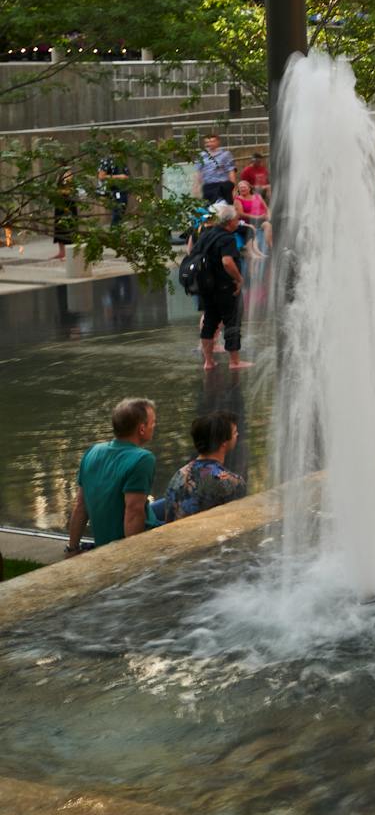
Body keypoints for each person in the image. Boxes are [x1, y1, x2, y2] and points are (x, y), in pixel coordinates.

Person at [64, 398, 159, 555]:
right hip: (133, 540)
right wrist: (134, 558)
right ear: (142, 429)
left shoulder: (92, 452)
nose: (154, 426)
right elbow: (134, 512)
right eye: (153, 422)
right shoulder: (142, 459)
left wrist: (72, 548)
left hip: (104, 540)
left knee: (166, 503)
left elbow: (81, 506)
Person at [151, 411, 245, 523]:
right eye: (235, 432)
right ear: (223, 442)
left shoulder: (179, 475)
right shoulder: (231, 483)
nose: (237, 435)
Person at [191, 202, 248, 370]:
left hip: (207, 288)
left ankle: (208, 362)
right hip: (224, 287)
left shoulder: (206, 235)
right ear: (229, 222)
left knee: (209, 322)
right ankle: (234, 362)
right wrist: (239, 279)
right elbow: (227, 262)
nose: (238, 222)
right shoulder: (226, 238)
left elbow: (192, 253)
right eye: (237, 219)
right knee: (232, 322)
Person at [195, 133, 236, 207]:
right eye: (207, 142)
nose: (210, 144)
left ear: (218, 142)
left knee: (225, 208)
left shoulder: (225, 154)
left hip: (222, 185)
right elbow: (199, 172)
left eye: (212, 141)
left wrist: (233, 187)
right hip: (208, 185)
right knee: (209, 209)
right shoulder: (201, 156)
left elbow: (231, 171)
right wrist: (197, 187)